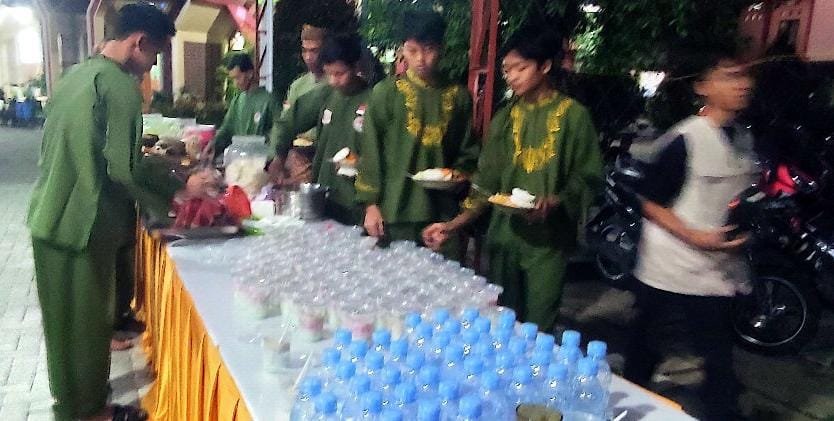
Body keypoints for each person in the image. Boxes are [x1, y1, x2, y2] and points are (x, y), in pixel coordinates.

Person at [27, 4, 211, 420]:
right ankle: (93, 412)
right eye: (155, 54)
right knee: (89, 326)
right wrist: (178, 191)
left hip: (48, 216)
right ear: (139, 42)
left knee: (62, 326)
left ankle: (70, 407)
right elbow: (124, 167)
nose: (153, 65)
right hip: (85, 223)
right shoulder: (120, 87)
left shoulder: (75, 76)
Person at [420, 27, 602, 331]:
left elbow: (590, 177)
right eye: (507, 70)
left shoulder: (574, 117)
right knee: (503, 322)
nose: (512, 77)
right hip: (504, 238)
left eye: (521, 68)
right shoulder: (504, 118)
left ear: (545, 66)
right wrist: (452, 225)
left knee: (539, 326)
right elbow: (485, 183)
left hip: (548, 243)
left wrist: (557, 201)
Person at [622, 50, 756, 421]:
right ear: (702, 86)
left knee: (717, 356)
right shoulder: (685, 139)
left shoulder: (743, 138)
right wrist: (695, 236)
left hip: (718, 270)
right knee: (645, 348)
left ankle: (722, 410)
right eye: (729, 76)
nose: (742, 84)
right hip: (669, 267)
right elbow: (649, 202)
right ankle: (624, 405)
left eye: (744, 75)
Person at [355, 11, 480, 254]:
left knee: (443, 276)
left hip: (442, 216)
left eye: (429, 49)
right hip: (394, 211)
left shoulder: (458, 96)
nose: (421, 59)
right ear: (402, 50)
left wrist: (460, 175)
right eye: (412, 51)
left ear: (442, 49)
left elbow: (467, 151)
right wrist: (370, 205)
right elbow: (371, 151)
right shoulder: (386, 93)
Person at [269, 33, 372, 225]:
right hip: (322, 197)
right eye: (329, 74)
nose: (333, 81)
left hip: (355, 202)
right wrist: (277, 157)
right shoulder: (326, 95)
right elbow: (286, 123)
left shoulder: (373, 100)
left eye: (339, 74)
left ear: (356, 67)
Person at [210, 53, 276, 157]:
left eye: (238, 78)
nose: (235, 83)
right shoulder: (237, 100)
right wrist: (213, 145)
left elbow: (279, 133)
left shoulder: (269, 100)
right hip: (239, 159)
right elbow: (226, 130)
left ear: (250, 74)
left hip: (260, 159)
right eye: (233, 79)